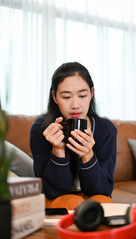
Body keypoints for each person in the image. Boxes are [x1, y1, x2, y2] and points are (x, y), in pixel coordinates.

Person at [30, 62, 117, 210]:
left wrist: (88, 155)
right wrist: (58, 150)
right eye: (66, 97)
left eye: (82, 95)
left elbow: (103, 191)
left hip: (92, 196)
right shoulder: (41, 129)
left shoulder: (106, 129)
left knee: (105, 205)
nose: (75, 105)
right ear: (55, 97)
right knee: (73, 205)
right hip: (57, 197)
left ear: (92, 93)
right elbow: (54, 192)